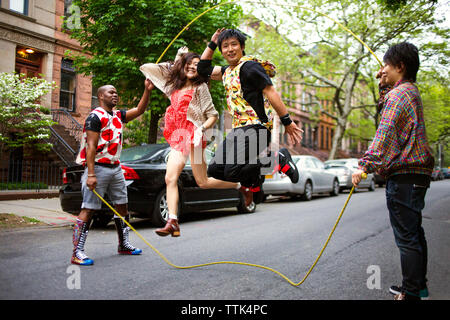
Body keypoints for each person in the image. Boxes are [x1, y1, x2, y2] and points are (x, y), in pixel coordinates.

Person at [352, 42, 434, 300]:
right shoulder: (409, 91)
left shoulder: (399, 96)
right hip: (418, 176)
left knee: (407, 238)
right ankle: (417, 287)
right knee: (415, 234)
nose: (382, 69)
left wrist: (364, 165)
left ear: (400, 66)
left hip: (405, 176)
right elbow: (385, 106)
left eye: (386, 65)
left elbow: (385, 131)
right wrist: (384, 81)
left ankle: (410, 293)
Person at [139, 47, 244, 238]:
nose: (192, 67)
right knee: (182, 179)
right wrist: (179, 58)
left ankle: (238, 184)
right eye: (189, 64)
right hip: (178, 137)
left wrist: (201, 129)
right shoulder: (173, 86)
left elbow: (212, 115)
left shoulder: (200, 88)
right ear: (183, 66)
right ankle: (173, 221)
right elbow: (147, 67)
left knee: (192, 180)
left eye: (197, 65)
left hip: (194, 135)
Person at [197, 28, 303, 201]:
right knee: (215, 170)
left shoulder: (250, 67)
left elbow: (271, 92)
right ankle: (254, 181)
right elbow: (203, 68)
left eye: (234, 45)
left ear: (242, 46)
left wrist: (287, 121)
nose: (230, 49)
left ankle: (277, 158)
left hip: (256, 128)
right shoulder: (226, 72)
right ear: (221, 50)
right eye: (225, 46)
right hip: (239, 130)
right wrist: (212, 43)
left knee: (232, 171)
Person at [71, 80, 154, 266]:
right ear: (101, 96)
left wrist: (146, 90)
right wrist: (91, 174)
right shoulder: (95, 117)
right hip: (98, 168)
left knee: (122, 206)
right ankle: (77, 252)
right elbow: (91, 146)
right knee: (89, 208)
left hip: (115, 167)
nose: (115, 95)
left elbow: (139, 110)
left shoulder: (117, 115)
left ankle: (124, 244)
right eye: (110, 92)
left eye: (116, 92)